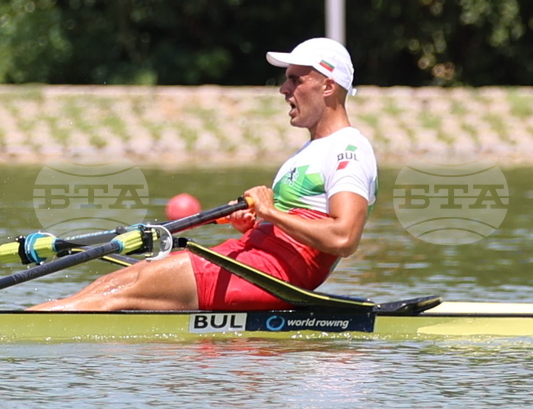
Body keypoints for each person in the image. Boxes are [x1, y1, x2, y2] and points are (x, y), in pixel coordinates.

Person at [27, 37, 377, 312]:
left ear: (328, 87)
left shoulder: (349, 150)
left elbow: (344, 238)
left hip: (270, 276)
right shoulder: (309, 151)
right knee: (116, 282)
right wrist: (256, 222)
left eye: (295, 80)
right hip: (252, 260)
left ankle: (21, 327)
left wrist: (271, 212)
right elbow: (297, 224)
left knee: (127, 287)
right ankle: (34, 318)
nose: (284, 90)